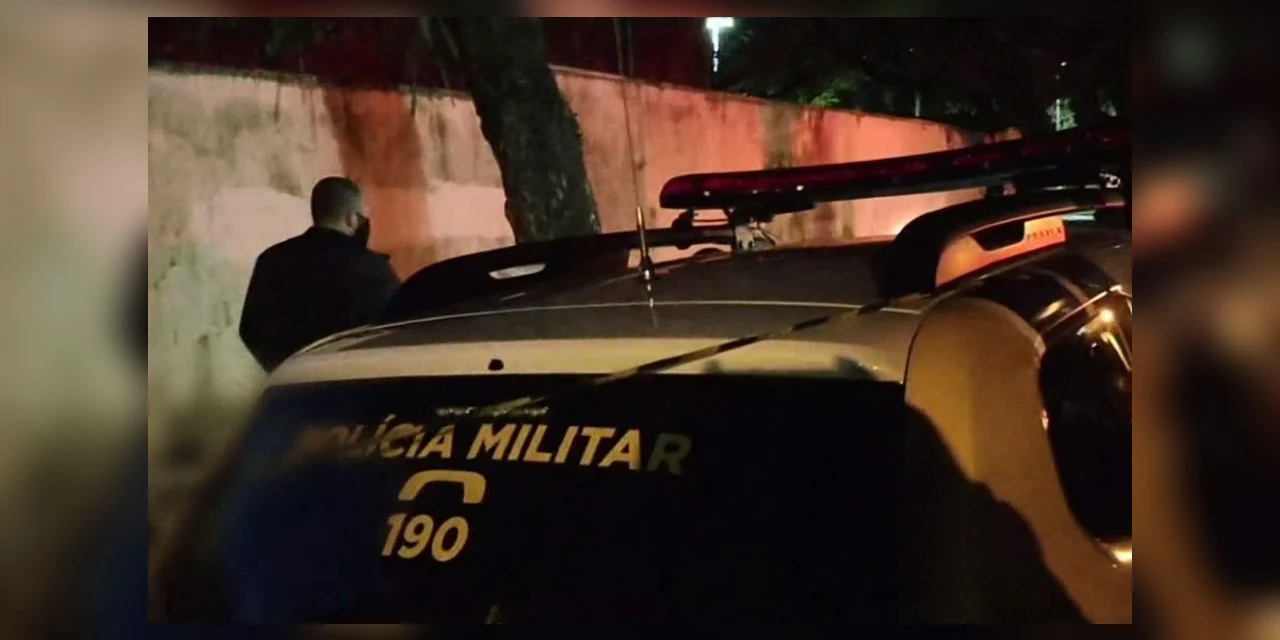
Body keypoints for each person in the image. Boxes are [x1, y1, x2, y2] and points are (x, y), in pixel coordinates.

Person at [239, 177, 399, 372]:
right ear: (351, 218)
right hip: (354, 381)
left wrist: (284, 370)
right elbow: (394, 330)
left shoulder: (272, 260)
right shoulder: (373, 268)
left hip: (294, 384)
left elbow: (251, 330)